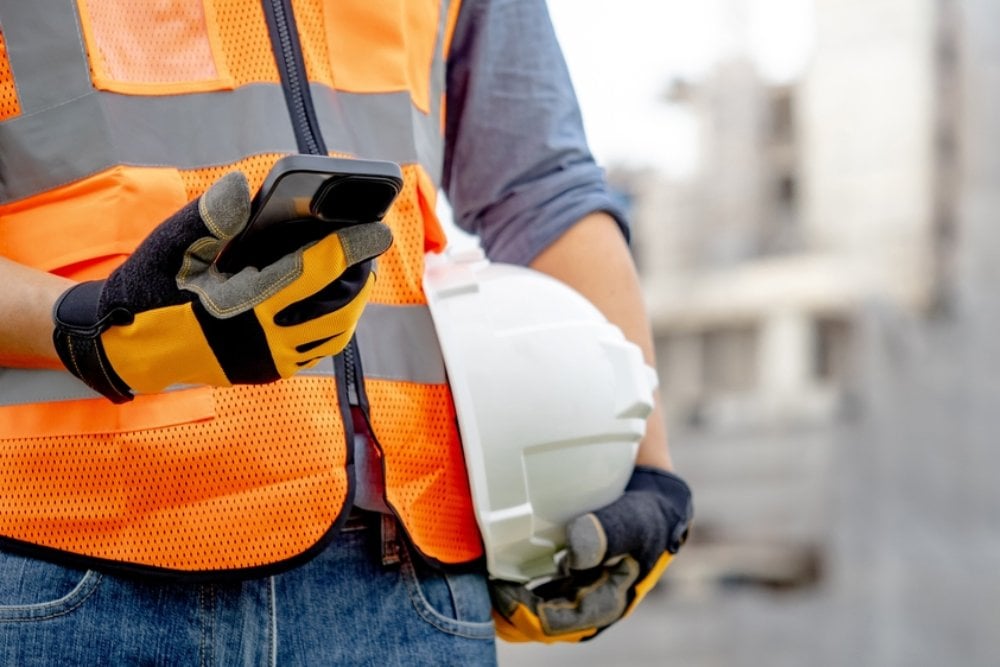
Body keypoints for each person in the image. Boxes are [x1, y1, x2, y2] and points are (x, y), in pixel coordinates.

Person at [0, 0, 692, 664]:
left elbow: (540, 187)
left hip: (404, 576)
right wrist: (85, 326)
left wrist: (645, 460)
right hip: (61, 553)